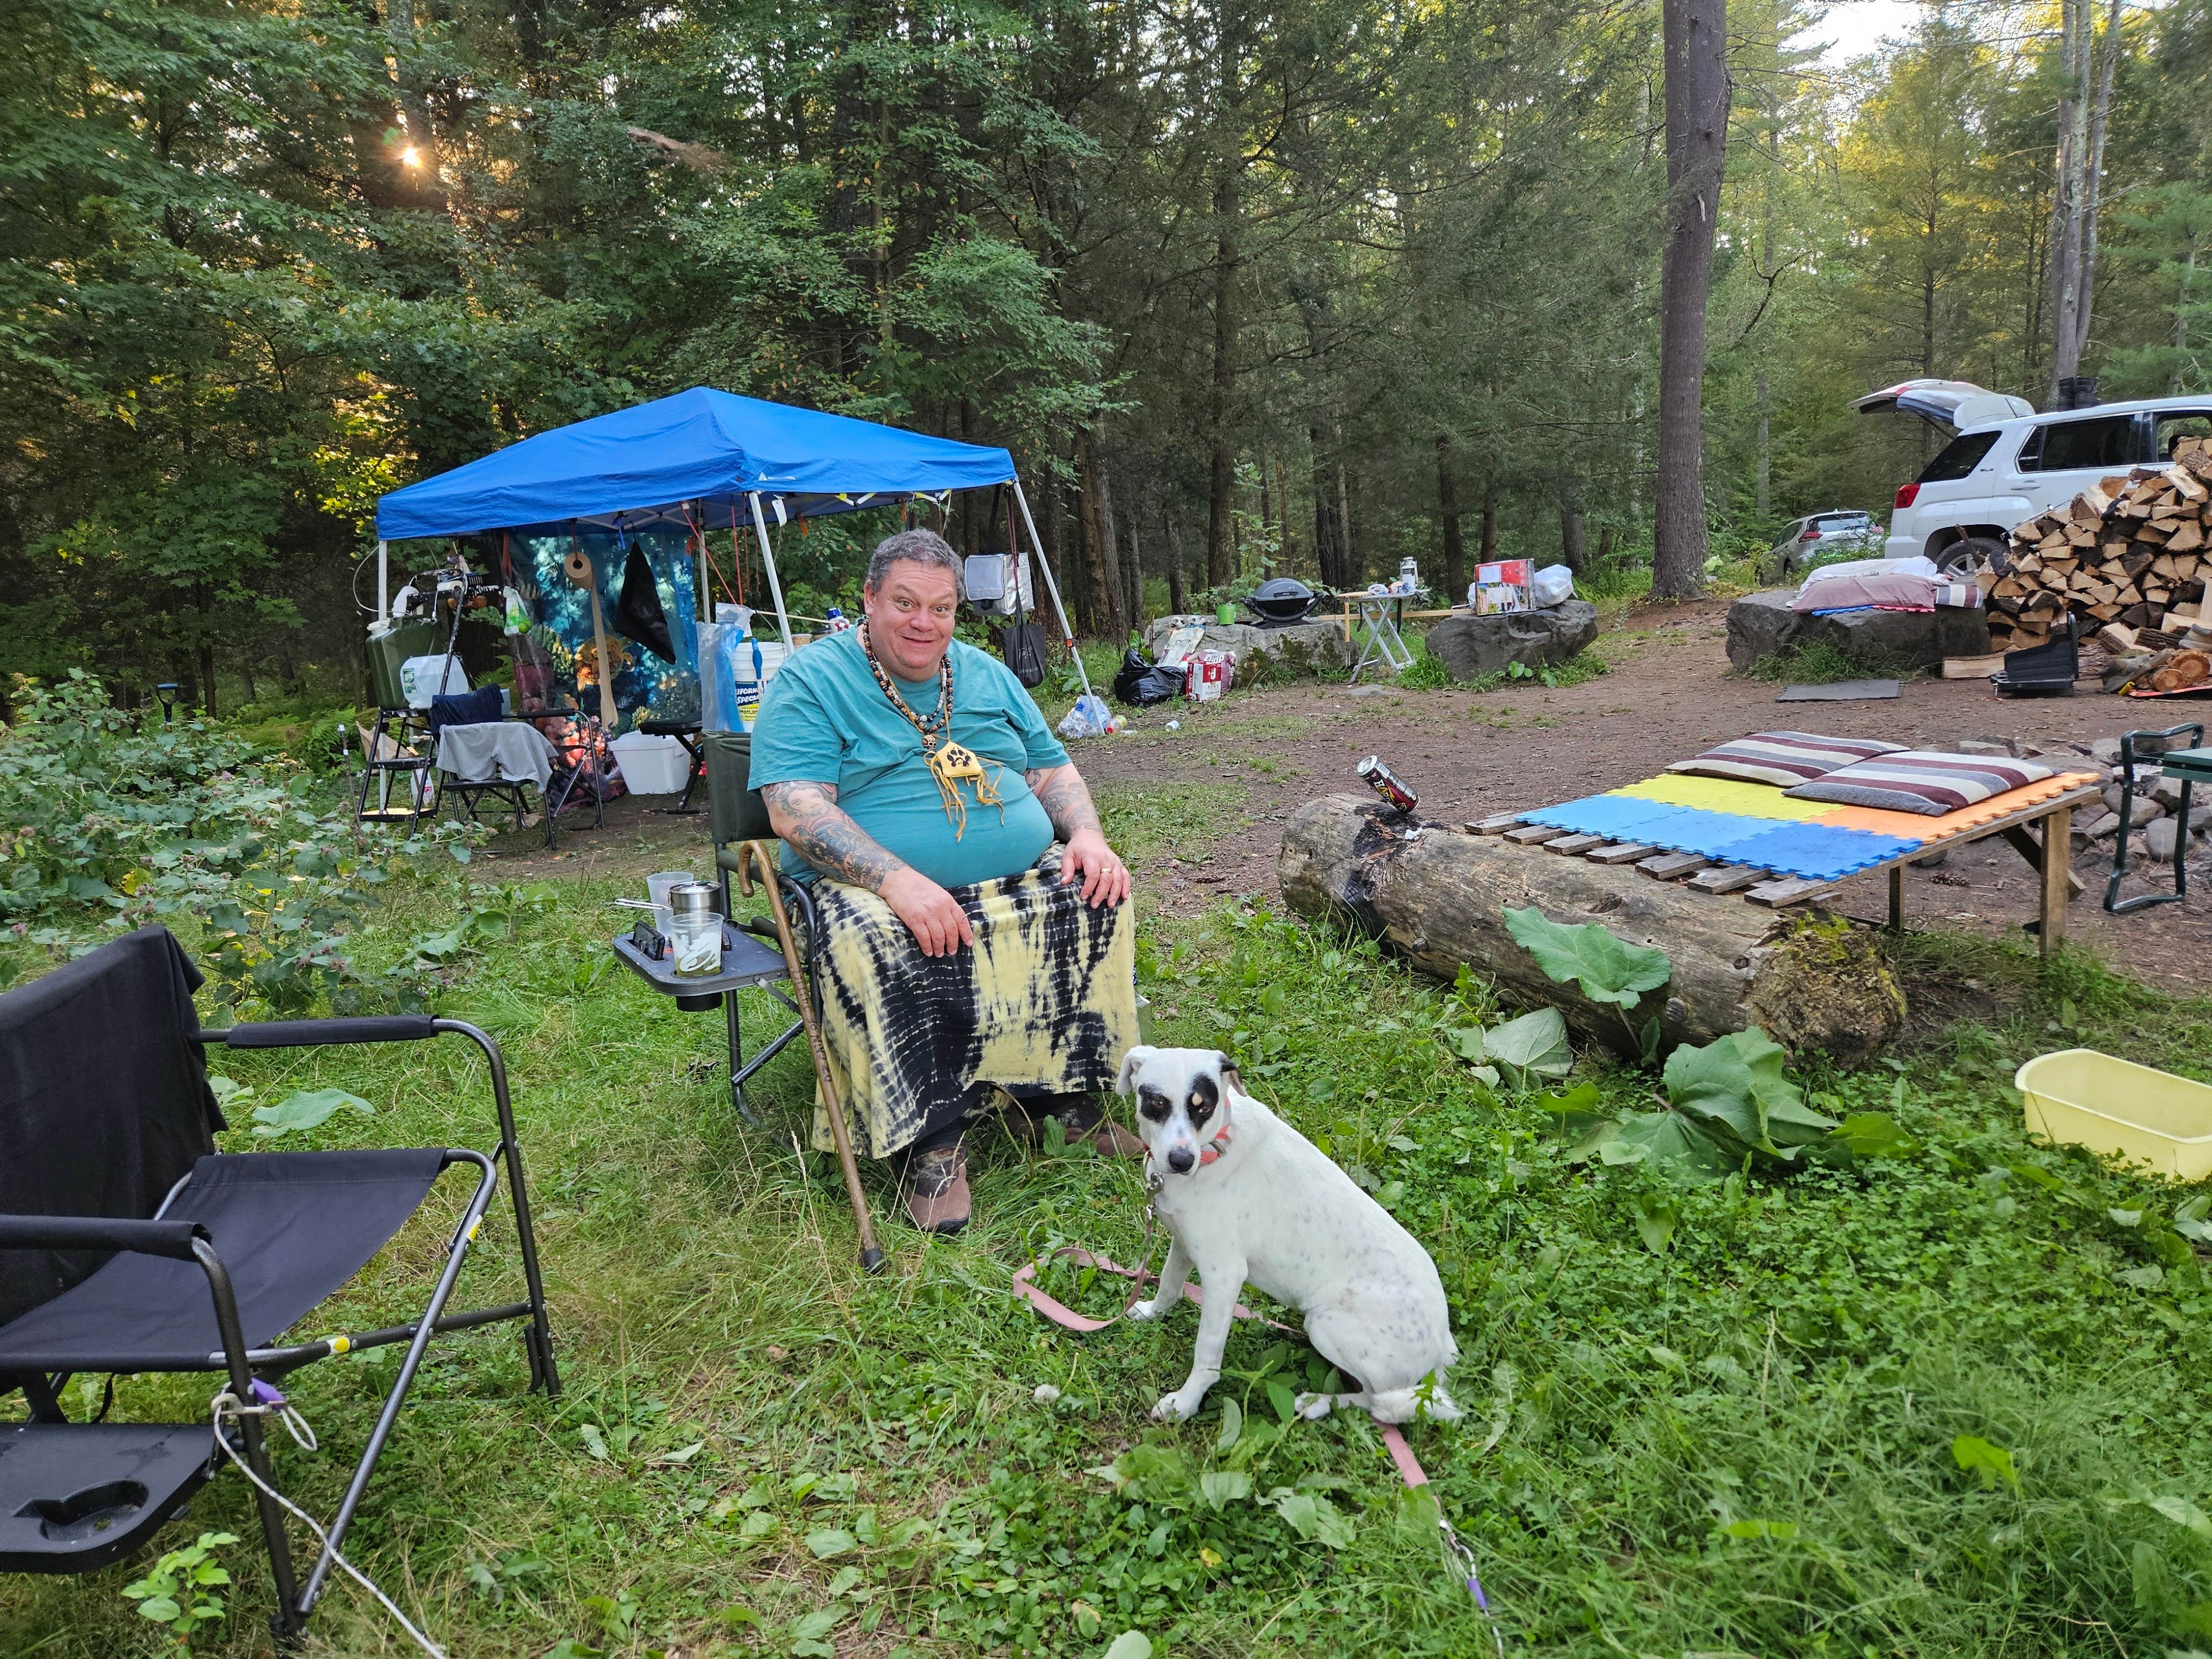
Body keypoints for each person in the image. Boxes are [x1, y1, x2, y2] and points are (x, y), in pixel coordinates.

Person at [749, 528, 1141, 1233]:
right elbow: (794, 805)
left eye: (941, 607)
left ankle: (1053, 1096)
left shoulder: (985, 673)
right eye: (904, 603)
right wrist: (897, 880)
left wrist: (1085, 834)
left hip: (1011, 866)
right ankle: (929, 1138)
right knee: (877, 933)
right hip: (864, 882)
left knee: (1093, 893)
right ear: (868, 600)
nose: (923, 623)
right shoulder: (811, 679)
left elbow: (1051, 770)